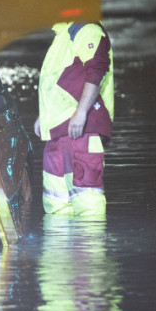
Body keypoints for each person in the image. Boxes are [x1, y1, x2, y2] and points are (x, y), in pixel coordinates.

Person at [35, 21, 114, 216]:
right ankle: (59, 245)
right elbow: (58, 81)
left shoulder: (87, 28)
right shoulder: (63, 33)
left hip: (81, 129)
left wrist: (81, 112)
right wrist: (43, 117)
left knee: (87, 203)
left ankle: (88, 245)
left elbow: (97, 70)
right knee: (56, 205)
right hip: (57, 130)